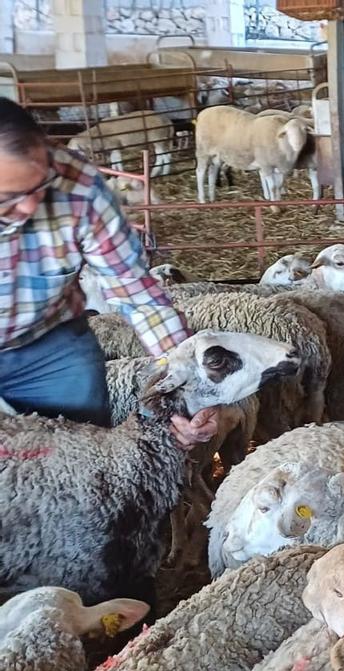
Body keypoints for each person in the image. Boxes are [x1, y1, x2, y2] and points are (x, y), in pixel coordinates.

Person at [0, 98, 217, 447]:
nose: (29, 206)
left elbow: (139, 295)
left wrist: (188, 385)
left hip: (49, 344)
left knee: (82, 466)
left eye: (40, 186)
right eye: (8, 197)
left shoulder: (79, 188)